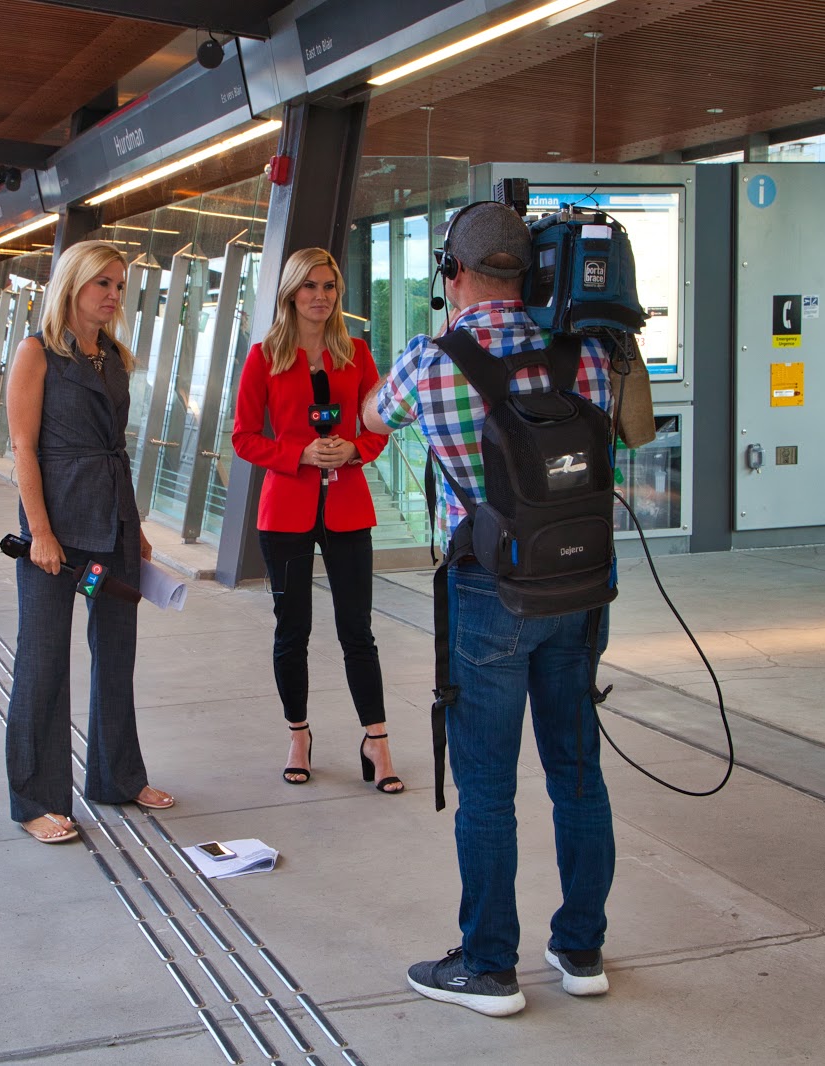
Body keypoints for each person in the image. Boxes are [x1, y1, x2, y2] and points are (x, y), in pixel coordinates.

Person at [363, 201, 617, 1015]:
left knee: (489, 788)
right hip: (579, 589)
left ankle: (488, 964)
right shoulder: (587, 353)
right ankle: (581, 953)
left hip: (488, 594)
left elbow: (374, 418)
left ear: (453, 274)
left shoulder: (434, 360)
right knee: (578, 775)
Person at [4, 240, 171, 843]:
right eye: (102, 283)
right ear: (72, 285)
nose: (112, 294)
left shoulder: (116, 357)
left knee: (115, 652)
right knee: (43, 662)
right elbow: (23, 446)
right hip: (58, 539)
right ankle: (35, 799)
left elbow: (117, 452)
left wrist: (136, 526)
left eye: (119, 285)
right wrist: (40, 532)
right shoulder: (37, 352)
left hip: (111, 535)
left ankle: (117, 777)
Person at [231, 247, 400, 793]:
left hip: (348, 506)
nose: (321, 296)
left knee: (358, 630)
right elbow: (243, 438)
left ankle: (376, 742)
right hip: (286, 510)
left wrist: (354, 449)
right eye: (310, 287)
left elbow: (380, 424)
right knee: (292, 629)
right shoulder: (263, 357)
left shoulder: (356, 355)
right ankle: (298, 734)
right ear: (290, 293)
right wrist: (297, 454)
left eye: (329, 287)